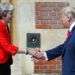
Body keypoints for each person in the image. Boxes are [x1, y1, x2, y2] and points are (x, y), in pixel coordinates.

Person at [29, 6, 75, 75]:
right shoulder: (72, 31)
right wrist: (43, 55)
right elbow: (63, 47)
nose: (61, 20)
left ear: (68, 18)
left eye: (62, 17)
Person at [0, 2, 18, 75]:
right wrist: (27, 51)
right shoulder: (0, 26)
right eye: (10, 14)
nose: (11, 16)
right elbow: (7, 46)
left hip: (6, 61)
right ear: (4, 14)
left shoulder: (5, 25)